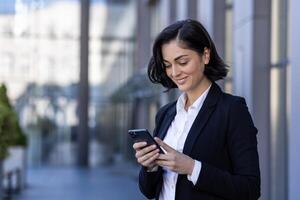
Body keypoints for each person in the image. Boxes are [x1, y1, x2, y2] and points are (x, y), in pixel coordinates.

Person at [132, 19, 260, 200]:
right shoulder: (165, 114)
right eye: (167, 65)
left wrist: (192, 168)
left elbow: (250, 189)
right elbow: (149, 191)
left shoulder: (232, 110)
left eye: (182, 61)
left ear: (205, 55)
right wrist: (150, 166)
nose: (174, 72)